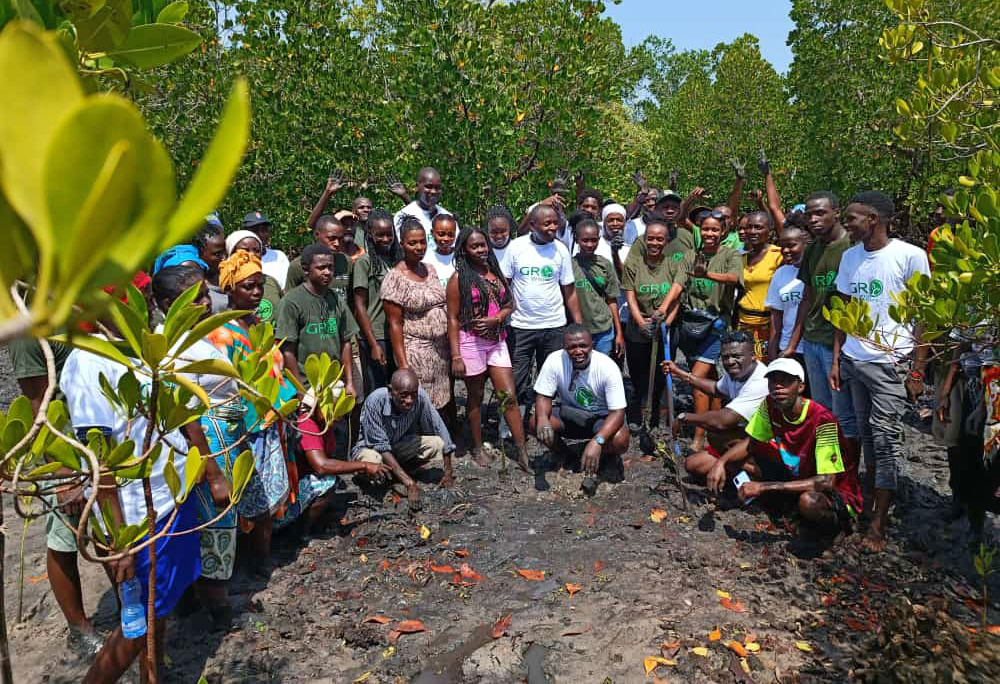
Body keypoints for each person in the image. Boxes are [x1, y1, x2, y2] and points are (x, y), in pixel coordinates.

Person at [62, 330, 202, 684]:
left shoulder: (147, 341)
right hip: (135, 516)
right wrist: (119, 540)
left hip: (168, 497)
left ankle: (151, 676)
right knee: (138, 622)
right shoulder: (88, 359)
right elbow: (101, 458)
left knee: (160, 607)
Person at [829, 191, 930, 551]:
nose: (847, 224)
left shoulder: (910, 257)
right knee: (868, 439)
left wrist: (916, 371)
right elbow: (844, 311)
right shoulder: (849, 258)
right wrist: (838, 359)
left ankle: (879, 525)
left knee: (886, 444)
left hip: (891, 363)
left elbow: (924, 319)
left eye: (852, 218)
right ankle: (870, 505)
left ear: (873, 219)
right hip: (855, 361)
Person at [150, 265, 238, 628]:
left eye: (205, 294)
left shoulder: (189, 336)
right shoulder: (171, 348)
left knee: (207, 521)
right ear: (170, 304)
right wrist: (213, 470)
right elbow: (187, 415)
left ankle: (197, 599)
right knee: (214, 522)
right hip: (206, 445)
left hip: (219, 437)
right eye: (197, 297)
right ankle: (216, 606)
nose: (207, 302)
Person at [9, 335, 102, 656]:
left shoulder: (79, 313)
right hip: (63, 448)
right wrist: (64, 477)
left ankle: (128, 607)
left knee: (109, 531)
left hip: (97, 437)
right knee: (65, 540)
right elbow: (39, 406)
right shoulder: (30, 335)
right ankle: (79, 629)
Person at [206, 250, 296, 572]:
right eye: (248, 287)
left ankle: (261, 561)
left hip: (270, 422)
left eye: (259, 286)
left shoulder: (257, 324)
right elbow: (224, 388)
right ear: (230, 289)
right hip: (247, 427)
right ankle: (255, 565)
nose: (256, 292)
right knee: (250, 502)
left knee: (268, 502)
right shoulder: (222, 333)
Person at [732, 359, 863, 536]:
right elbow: (751, 443)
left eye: (785, 381)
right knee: (730, 455)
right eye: (773, 381)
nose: (777, 387)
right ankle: (788, 508)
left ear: (800, 387)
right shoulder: (770, 404)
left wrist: (764, 487)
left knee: (809, 502)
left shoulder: (823, 421)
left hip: (835, 493)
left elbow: (826, 482)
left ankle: (833, 531)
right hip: (798, 474)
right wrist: (720, 463)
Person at [446, 226, 532, 473]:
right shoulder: (458, 278)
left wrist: (497, 319)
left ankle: (521, 449)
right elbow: (452, 318)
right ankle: (477, 446)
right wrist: (456, 355)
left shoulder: (495, 272)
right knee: (475, 398)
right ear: (464, 249)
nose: (481, 250)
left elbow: (509, 304)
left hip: (496, 340)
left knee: (509, 396)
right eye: (474, 246)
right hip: (470, 341)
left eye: (483, 245)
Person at [783, 191, 857, 461]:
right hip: (813, 340)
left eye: (820, 213)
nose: (813, 219)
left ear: (837, 213)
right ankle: (826, 466)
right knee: (822, 411)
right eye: (809, 214)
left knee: (843, 415)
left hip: (838, 342)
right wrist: (793, 343)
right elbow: (807, 297)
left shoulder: (851, 247)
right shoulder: (813, 249)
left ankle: (846, 475)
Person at [501, 203, 584, 416]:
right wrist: (500, 317)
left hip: (554, 325)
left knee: (551, 376)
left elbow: (569, 291)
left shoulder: (561, 250)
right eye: (547, 224)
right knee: (517, 377)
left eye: (555, 223)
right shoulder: (516, 247)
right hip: (521, 326)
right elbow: (504, 285)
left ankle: (544, 418)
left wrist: (578, 323)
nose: (552, 228)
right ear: (532, 225)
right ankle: (512, 423)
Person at [530, 325, 630, 488]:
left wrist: (598, 441)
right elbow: (543, 395)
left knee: (621, 439)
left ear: (591, 345)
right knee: (536, 422)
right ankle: (566, 454)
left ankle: (600, 455)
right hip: (570, 414)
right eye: (572, 347)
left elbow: (618, 412)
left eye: (583, 346)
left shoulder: (607, 367)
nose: (578, 351)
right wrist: (542, 419)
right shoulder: (555, 360)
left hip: (600, 420)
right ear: (565, 347)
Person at [675, 212, 743, 451]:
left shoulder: (730, 254)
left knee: (697, 379)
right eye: (706, 229)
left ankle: (699, 435)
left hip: (716, 325)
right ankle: (716, 427)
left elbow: (734, 278)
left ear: (723, 232)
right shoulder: (690, 256)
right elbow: (679, 284)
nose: (710, 234)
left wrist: (708, 274)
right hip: (693, 326)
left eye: (715, 230)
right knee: (712, 379)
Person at [278, 395, 391, 534]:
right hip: (282, 506)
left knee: (332, 481)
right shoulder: (306, 424)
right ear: (316, 406)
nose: (336, 415)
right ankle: (297, 534)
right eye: (332, 409)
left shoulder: (325, 425)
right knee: (327, 482)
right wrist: (364, 465)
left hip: (295, 490)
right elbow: (322, 465)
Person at [664, 331, 769, 482]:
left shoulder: (760, 381)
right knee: (693, 465)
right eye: (725, 357)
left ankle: (757, 477)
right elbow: (717, 389)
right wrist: (681, 374)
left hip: (763, 445)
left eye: (736, 356)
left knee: (716, 433)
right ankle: (735, 475)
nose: (730, 361)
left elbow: (723, 421)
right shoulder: (738, 372)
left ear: (753, 356)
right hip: (744, 438)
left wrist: (685, 418)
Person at [353, 369, 457, 506]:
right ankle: (371, 478)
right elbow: (381, 447)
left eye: (413, 395)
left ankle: (396, 474)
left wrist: (448, 473)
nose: (409, 401)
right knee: (374, 459)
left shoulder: (420, 397)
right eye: (404, 395)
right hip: (371, 449)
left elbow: (438, 427)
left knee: (437, 443)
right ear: (391, 391)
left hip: (396, 445)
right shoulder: (375, 401)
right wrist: (410, 484)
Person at [381, 218, 453, 416]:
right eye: (412, 243)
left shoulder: (430, 269)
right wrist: (403, 364)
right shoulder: (395, 277)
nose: (419, 247)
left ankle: (442, 440)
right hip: (415, 352)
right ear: (402, 243)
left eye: (422, 241)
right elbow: (394, 324)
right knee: (419, 404)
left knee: (442, 400)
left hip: (440, 351)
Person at [622, 219, 684, 427]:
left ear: (666, 241)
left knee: (661, 375)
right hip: (638, 328)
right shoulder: (634, 262)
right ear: (644, 239)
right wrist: (641, 322)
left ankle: (660, 419)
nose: (654, 243)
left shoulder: (674, 262)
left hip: (665, 329)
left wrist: (665, 320)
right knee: (639, 374)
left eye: (659, 239)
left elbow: (677, 297)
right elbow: (629, 294)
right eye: (650, 238)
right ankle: (640, 417)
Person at [275, 244, 359, 396]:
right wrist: (301, 393)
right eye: (321, 268)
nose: (327, 272)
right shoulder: (291, 302)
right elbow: (287, 351)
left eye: (330, 267)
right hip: (307, 385)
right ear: (306, 269)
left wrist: (349, 382)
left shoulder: (336, 299)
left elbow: (346, 341)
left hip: (334, 384)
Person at [353, 208, 401, 394]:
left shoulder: (398, 259)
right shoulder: (364, 263)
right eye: (379, 235)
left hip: (397, 332)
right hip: (376, 334)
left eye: (389, 234)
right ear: (370, 235)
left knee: (399, 387)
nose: (386, 239)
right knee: (378, 391)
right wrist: (373, 344)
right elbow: (359, 305)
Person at [573, 219, 624, 358]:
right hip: (578, 331)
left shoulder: (605, 264)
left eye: (594, 240)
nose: (590, 244)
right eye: (585, 240)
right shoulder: (569, 265)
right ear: (577, 240)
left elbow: (612, 300)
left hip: (604, 329)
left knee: (600, 369)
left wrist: (619, 333)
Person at [737, 210, 784, 360]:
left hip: (768, 325)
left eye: (758, 227)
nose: (752, 231)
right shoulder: (742, 258)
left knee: (764, 368)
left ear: (769, 231)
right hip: (743, 322)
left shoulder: (778, 255)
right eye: (749, 227)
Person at [765, 225, 808, 368]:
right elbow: (776, 315)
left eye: (791, 245)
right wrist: (772, 350)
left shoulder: (816, 271)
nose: (785, 251)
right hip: (786, 347)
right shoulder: (780, 273)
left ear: (806, 243)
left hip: (810, 347)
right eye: (782, 246)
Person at [224, 230, 283, 325]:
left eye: (257, 250)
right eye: (245, 250)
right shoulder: (224, 330)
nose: (252, 255)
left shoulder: (271, 281)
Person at [285, 215, 353, 294]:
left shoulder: (346, 262)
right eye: (331, 239)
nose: (337, 243)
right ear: (317, 235)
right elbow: (289, 300)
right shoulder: (298, 266)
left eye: (340, 239)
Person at [393, 167, 454, 250]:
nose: (433, 191)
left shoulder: (448, 217)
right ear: (417, 187)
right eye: (428, 186)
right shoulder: (402, 216)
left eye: (437, 188)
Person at [243, 210, 290, 289]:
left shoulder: (279, 256)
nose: (260, 234)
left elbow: (286, 287)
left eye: (264, 230)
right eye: (255, 231)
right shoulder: (238, 259)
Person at [192, 215, 229, 313]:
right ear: (199, 254)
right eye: (217, 254)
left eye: (225, 252)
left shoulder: (232, 280)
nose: (224, 258)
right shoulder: (195, 290)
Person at [422, 213, 458, 288]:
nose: (446, 239)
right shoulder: (426, 260)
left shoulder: (461, 256)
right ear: (432, 233)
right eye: (441, 234)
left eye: (451, 235)